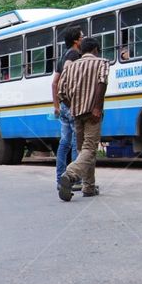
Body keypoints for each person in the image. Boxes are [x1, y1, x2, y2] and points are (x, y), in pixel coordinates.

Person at [57, 37, 109, 201]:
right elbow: (102, 82)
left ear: (81, 51)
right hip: (92, 113)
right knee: (89, 149)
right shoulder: (102, 62)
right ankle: (70, 174)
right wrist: (97, 107)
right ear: (95, 50)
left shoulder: (71, 67)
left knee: (83, 150)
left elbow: (60, 93)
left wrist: (72, 106)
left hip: (76, 113)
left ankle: (89, 187)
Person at [52, 25, 83, 190]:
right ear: (76, 40)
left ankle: (60, 179)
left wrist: (57, 105)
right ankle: (75, 179)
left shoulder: (62, 56)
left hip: (63, 105)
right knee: (76, 142)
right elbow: (67, 76)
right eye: (82, 36)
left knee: (64, 143)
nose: (84, 38)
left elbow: (54, 83)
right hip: (71, 104)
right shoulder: (73, 55)